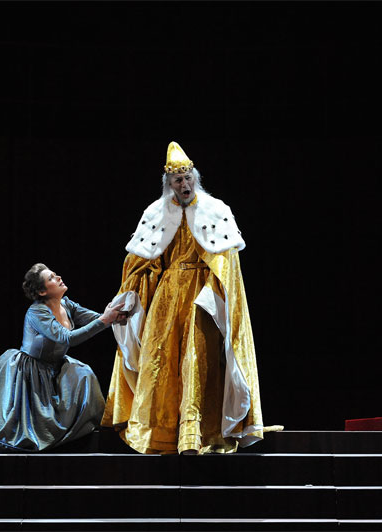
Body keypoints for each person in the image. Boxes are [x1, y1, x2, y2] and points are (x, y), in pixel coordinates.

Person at [101, 141, 265, 455]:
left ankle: (194, 436)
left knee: (197, 360)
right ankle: (159, 434)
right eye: (178, 180)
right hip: (166, 297)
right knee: (159, 361)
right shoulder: (157, 213)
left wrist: (214, 292)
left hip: (202, 296)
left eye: (188, 178)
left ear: (195, 179)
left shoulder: (215, 211)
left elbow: (226, 261)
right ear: (170, 183)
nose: (184, 184)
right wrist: (133, 291)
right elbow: (140, 260)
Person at [0, 263, 125, 452]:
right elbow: (67, 338)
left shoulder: (66, 304)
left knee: (84, 374)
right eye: (51, 278)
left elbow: (96, 318)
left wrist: (115, 316)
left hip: (55, 367)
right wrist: (105, 320)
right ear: (42, 291)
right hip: (30, 371)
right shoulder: (37, 312)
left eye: (55, 275)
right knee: (18, 427)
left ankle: (93, 427)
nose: (58, 277)